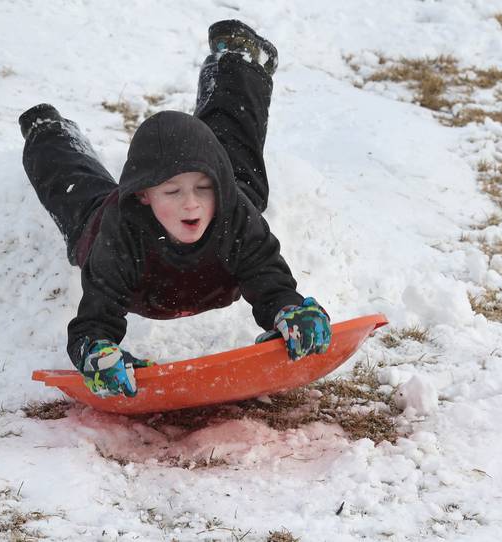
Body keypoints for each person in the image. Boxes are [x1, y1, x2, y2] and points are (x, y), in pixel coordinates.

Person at [19, 20, 331, 398]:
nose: (191, 202)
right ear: (144, 195)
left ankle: (239, 61)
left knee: (234, 151)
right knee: (71, 186)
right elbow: (93, 322)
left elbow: (269, 278)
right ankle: (48, 132)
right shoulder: (118, 230)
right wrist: (96, 352)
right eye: (172, 192)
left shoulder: (234, 213)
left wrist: (289, 310)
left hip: (221, 250)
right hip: (140, 282)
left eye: (204, 188)